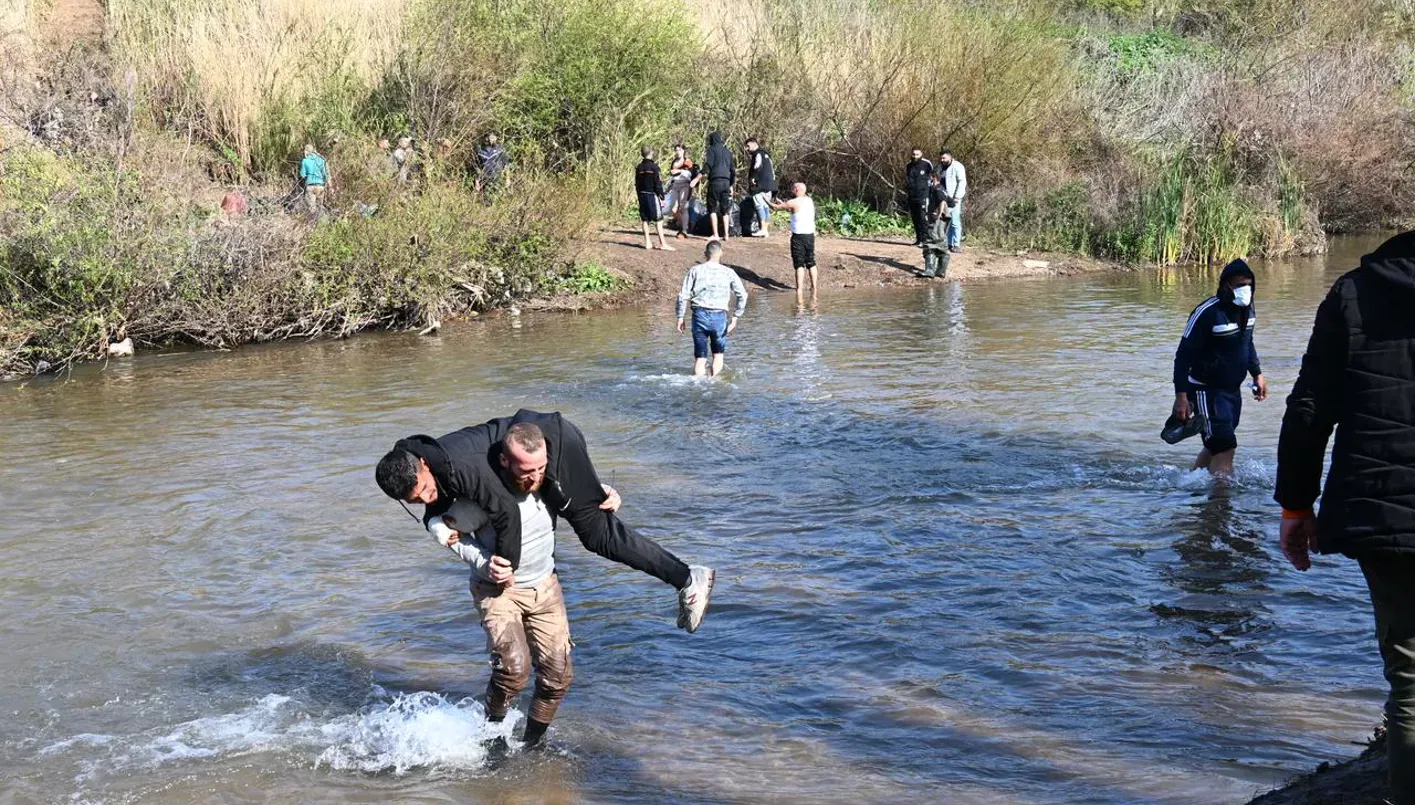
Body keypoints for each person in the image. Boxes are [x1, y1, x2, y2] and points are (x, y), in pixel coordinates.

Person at [1275, 231, 1415, 805]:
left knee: (1410, 685)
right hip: (1383, 510)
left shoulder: (1354, 293)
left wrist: (1294, 506)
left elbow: (1310, 406)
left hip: (1382, 508)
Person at [376, 411, 717, 633]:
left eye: (424, 489)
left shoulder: (460, 468)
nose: (425, 498)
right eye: (414, 499)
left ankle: (688, 577)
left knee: (597, 535)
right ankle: (591, 491)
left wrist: (505, 567)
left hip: (554, 444)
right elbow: (435, 505)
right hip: (525, 456)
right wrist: (433, 521)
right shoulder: (407, 466)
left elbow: (507, 514)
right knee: (578, 504)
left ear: (424, 464)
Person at [432, 473, 572, 749]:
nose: (533, 475)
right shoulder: (484, 496)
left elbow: (587, 510)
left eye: (540, 466)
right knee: (513, 669)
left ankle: (534, 745)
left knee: (557, 675)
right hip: (496, 590)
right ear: (508, 462)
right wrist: (486, 564)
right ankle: (492, 739)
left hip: (545, 587)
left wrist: (603, 496)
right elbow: (450, 534)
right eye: (525, 468)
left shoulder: (553, 487)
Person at [1171, 258, 1269, 475]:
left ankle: (1191, 486)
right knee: (1225, 446)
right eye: (1239, 285)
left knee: (1215, 445)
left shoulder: (1248, 310)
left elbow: (1247, 343)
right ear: (1226, 286)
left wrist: (1257, 373)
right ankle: (1220, 504)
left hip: (1232, 393)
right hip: (1207, 392)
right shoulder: (1207, 312)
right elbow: (1182, 357)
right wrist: (1181, 396)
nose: (1245, 290)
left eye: (1248, 285)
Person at [676, 240, 747, 377]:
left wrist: (680, 316)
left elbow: (682, 295)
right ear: (721, 253)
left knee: (700, 358)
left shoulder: (695, 270)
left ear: (705, 254)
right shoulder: (729, 272)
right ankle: (715, 383)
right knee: (718, 355)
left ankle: (698, 385)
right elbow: (742, 295)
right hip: (719, 316)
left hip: (699, 315)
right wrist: (736, 316)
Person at [770, 182, 817, 295]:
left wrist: (764, 200)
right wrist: (785, 204)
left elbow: (775, 207)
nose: (791, 190)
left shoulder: (793, 202)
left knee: (799, 263)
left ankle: (799, 290)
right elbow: (795, 210)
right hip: (810, 235)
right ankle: (814, 288)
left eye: (792, 188)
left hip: (798, 236)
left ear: (796, 190)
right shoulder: (809, 200)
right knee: (811, 261)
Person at [635, 146, 674, 251]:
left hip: (642, 195)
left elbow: (637, 184)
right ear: (651, 153)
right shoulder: (654, 167)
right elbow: (658, 182)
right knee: (659, 219)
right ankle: (662, 243)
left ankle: (647, 242)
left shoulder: (639, 167)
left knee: (645, 219)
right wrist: (661, 195)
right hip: (652, 195)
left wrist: (639, 195)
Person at [702, 131, 735, 242]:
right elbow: (732, 170)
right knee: (725, 209)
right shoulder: (728, 152)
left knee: (712, 208)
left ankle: (715, 234)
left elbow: (708, 165)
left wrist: (699, 175)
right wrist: (731, 184)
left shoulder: (711, 150)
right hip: (726, 182)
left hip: (715, 182)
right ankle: (726, 234)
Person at [920, 173, 951, 279]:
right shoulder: (942, 188)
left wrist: (938, 213)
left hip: (938, 218)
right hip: (943, 218)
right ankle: (941, 271)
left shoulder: (937, 189)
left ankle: (930, 270)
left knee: (930, 242)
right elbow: (951, 202)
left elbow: (942, 200)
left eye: (928, 179)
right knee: (941, 241)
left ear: (933, 178)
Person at [744, 137, 777, 237]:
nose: (747, 149)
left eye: (748, 146)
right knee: (766, 206)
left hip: (760, 184)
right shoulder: (766, 154)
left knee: (759, 205)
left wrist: (753, 178)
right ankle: (765, 230)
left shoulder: (758, 154)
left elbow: (757, 166)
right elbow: (772, 170)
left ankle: (762, 229)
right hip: (770, 185)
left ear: (754, 144)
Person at [937, 149, 967, 253]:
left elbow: (962, 182)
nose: (942, 160)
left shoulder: (957, 166)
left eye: (944, 158)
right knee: (947, 221)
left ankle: (957, 244)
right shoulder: (941, 167)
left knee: (955, 222)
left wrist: (957, 197)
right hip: (944, 198)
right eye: (941, 158)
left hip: (954, 198)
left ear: (950, 157)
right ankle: (949, 243)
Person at [666, 143, 699, 239]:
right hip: (675, 185)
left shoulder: (687, 161)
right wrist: (669, 186)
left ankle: (684, 229)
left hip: (685, 185)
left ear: (683, 150)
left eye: (679, 150)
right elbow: (672, 176)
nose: (678, 152)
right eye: (676, 150)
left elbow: (690, 174)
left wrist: (680, 171)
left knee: (683, 207)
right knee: (673, 208)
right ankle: (681, 225)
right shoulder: (674, 162)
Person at [904, 147, 934, 247]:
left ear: (921, 154)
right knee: (915, 218)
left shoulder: (926, 164)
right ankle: (918, 239)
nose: (915, 156)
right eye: (914, 154)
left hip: (923, 195)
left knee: (923, 217)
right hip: (912, 196)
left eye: (917, 154)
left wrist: (930, 192)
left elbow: (933, 178)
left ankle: (925, 240)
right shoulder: (909, 165)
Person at [298, 143, 330, 217]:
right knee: (320, 207)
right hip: (320, 186)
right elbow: (325, 174)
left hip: (310, 186)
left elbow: (302, 175)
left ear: (306, 151)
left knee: (311, 208)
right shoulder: (321, 160)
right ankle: (321, 224)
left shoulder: (305, 161)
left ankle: (312, 224)